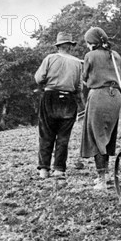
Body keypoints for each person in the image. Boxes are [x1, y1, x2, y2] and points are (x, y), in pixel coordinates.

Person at [34, 32, 83, 179]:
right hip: (68, 99)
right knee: (63, 136)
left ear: (59, 46)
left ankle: (44, 169)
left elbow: (38, 78)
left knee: (46, 134)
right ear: (70, 46)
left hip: (50, 97)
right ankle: (59, 169)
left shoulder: (50, 58)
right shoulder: (77, 63)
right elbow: (79, 86)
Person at [80, 27, 121, 190]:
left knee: (97, 136)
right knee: (108, 135)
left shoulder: (90, 56)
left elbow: (84, 78)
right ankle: (105, 174)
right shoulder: (116, 55)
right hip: (116, 96)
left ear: (91, 42)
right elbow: (120, 76)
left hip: (99, 96)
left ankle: (102, 179)